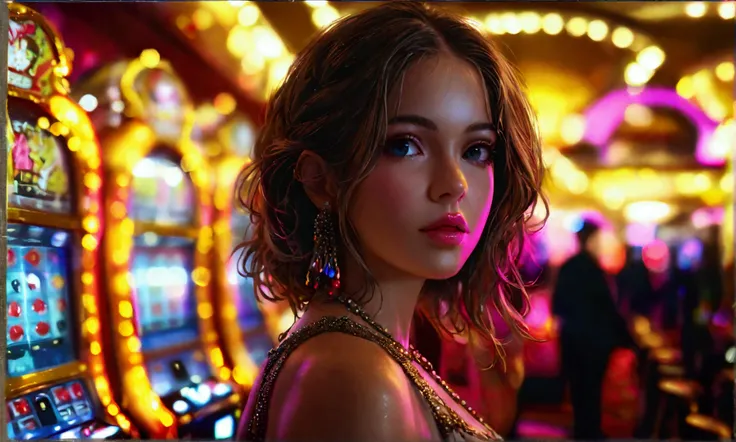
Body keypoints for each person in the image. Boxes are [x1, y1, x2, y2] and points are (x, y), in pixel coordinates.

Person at [234, 2, 546, 441]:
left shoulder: (367, 348)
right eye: (405, 145)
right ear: (321, 180)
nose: (454, 185)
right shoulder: (354, 377)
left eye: (476, 150)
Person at [552, 220, 634, 440]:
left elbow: (557, 306)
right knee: (592, 391)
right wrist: (626, 335)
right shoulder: (593, 267)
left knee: (579, 391)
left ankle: (583, 431)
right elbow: (607, 306)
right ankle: (590, 432)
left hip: (573, 339)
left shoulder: (569, 267)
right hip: (594, 341)